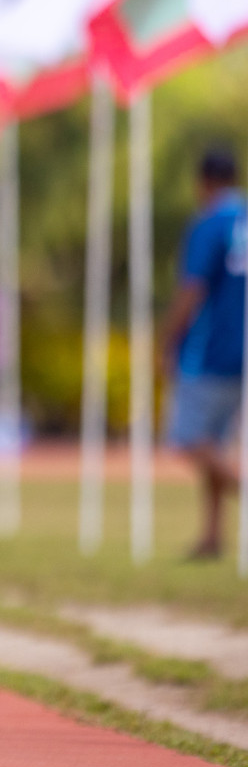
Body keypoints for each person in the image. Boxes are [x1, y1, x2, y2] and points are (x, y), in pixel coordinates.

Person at [161, 147, 245, 561]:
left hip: (207, 351)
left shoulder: (209, 223)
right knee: (215, 442)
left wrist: (166, 339)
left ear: (204, 182)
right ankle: (212, 536)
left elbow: (191, 289)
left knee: (188, 439)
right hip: (241, 351)